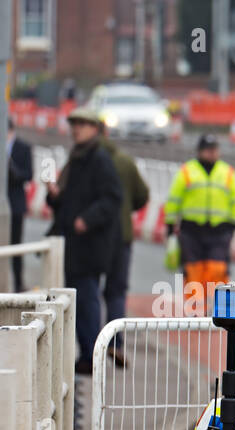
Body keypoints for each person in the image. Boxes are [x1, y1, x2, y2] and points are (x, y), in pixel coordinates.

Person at [46, 106, 122, 375]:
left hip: (90, 246)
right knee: (78, 300)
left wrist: (86, 219)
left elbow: (113, 199)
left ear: (94, 129)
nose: (76, 128)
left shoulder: (99, 159)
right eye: (74, 123)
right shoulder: (76, 158)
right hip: (75, 244)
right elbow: (67, 201)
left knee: (87, 300)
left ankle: (91, 355)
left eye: (82, 124)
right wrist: (54, 195)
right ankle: (87, 353)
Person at [165, 134, 235, 312]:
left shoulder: (228, 172)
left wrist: (233, 224)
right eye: (208, 150)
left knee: (218, 269)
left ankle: (220, 310)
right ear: (200, 151)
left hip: (220, 230)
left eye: (214, 150)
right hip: (191, 230)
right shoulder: (186, 171)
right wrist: (170, 224)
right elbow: (174, 199)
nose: (212, 153)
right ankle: (196, 310)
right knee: (193, 270)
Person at [99, 119, 150, 367]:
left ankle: (90, 348)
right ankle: (115, 342)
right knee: (116, 292)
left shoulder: (84, 161)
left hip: (91, 237)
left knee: (86, 290)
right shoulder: (125, 162)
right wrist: (128, 208)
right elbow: (143, 195)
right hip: (121, 236)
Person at [7, 119, 33, 291]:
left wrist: (12, 169)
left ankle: (18, 284)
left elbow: (28, 174)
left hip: (15, 204)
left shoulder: (24, 147)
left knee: (16, 246)